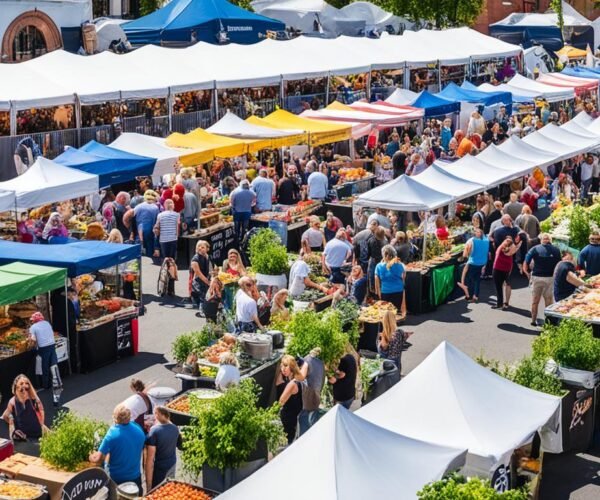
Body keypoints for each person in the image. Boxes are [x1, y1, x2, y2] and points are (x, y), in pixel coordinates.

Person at [89, 405, 145, 493]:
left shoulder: (112, 434)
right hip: (135, 477)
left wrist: (90, 455)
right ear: (129, 417)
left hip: (117, 479)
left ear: (115, 418)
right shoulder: (138, 428)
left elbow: (98, 459)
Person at [524, 233, 561, 326]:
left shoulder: (535, 249)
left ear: (541, 240)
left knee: (535, 300)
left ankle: (533, 320)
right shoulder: (556, 250)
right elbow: (559, 265)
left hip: (537, 277)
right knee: (549, 301)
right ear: (550, 240)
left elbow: (526, 261)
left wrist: (527, 272)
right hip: (550, 278)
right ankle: (548, 321)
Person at [2, 375, 47, 446]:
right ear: (16, 386)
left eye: (27, 383)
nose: (25, 386)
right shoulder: (12, 402)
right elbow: (5, 416)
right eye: (21, 383)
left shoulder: (33, 398)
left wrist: (41, 425)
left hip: (39, 435)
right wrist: (14, 426)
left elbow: (41, 412)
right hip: (25, 439)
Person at [145, 406, 180, 491]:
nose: (154, 416)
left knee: (158, 492)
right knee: (169, 490)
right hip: (172, 464)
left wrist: (149, 486)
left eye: (155, 413)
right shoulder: (175, 428)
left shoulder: (154, 431)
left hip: (160, 469)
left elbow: (150, 459)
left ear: (160, 414)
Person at [276, 355, 303, 444]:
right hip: (294, 416)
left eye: (285, 366)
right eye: (281, 366)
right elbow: (279, 382)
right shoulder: (298, 379)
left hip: (289, 419)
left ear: (291, 366)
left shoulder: (291, 384)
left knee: (288, 443)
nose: (283, 369)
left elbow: (281, 402)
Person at [297, 348, 325, 435]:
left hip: (309, 395)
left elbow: (301, 377)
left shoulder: (307, 361)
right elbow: (323, 379)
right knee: (314, 416)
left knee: (304, 417)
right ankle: (314, 435)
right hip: (317, 393)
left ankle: (304, 437)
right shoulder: (321, 363)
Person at [458, 228, 489, 302]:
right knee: (477, 280)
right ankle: (476, 296)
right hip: (482, 262)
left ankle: (470, 296)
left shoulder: (471, 240)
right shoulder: (486, 240)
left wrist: (465, 256)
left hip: (473, 262)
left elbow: (465, 254)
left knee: (470, 280)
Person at [29, 312, 57, 390]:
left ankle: (46, 385)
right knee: (53, 365)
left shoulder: (33, 327)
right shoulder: (47, 323)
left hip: (43, 348)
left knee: (45, 367)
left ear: (35, 320)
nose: (32, 321)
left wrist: (31, 342)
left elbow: (33, 339)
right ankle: (56, 381)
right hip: (52, 345)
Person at [492, 236, 521, 310]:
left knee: (499, 287)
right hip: (507, 269)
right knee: (507, 285)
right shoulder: (511, 251)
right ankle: (506, 302)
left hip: (498, 269)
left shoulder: (501, 249)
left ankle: (500, 304)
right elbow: (515, 248)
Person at [375, 244, 406, 313]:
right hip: (398, 290)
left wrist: (378, 291)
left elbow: (376, 279)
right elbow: (404, 274)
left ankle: (388, 323)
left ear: (383, 254)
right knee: (397, 310)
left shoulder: (379, 266)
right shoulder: (399, 264)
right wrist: (403, 283)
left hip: (385, 291)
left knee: (386, 311)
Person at [134, 190, 159, 257]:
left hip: (139, 234)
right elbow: (157, 223)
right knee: (149, 256)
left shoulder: (138, 207)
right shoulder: (155, 208)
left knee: (138, 256)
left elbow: (131, 217)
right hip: (150, 234)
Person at [190, 240, 211, 311]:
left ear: (207, 249)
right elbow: (199, 274)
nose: (200, 248)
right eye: (198, 246)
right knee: (202, 297)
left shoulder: (207, 256)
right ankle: (201, 311)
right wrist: (208, 282)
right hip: (198, 281)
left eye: (202, 247)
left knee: (204, 297)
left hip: (205, 280)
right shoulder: (195, 260)